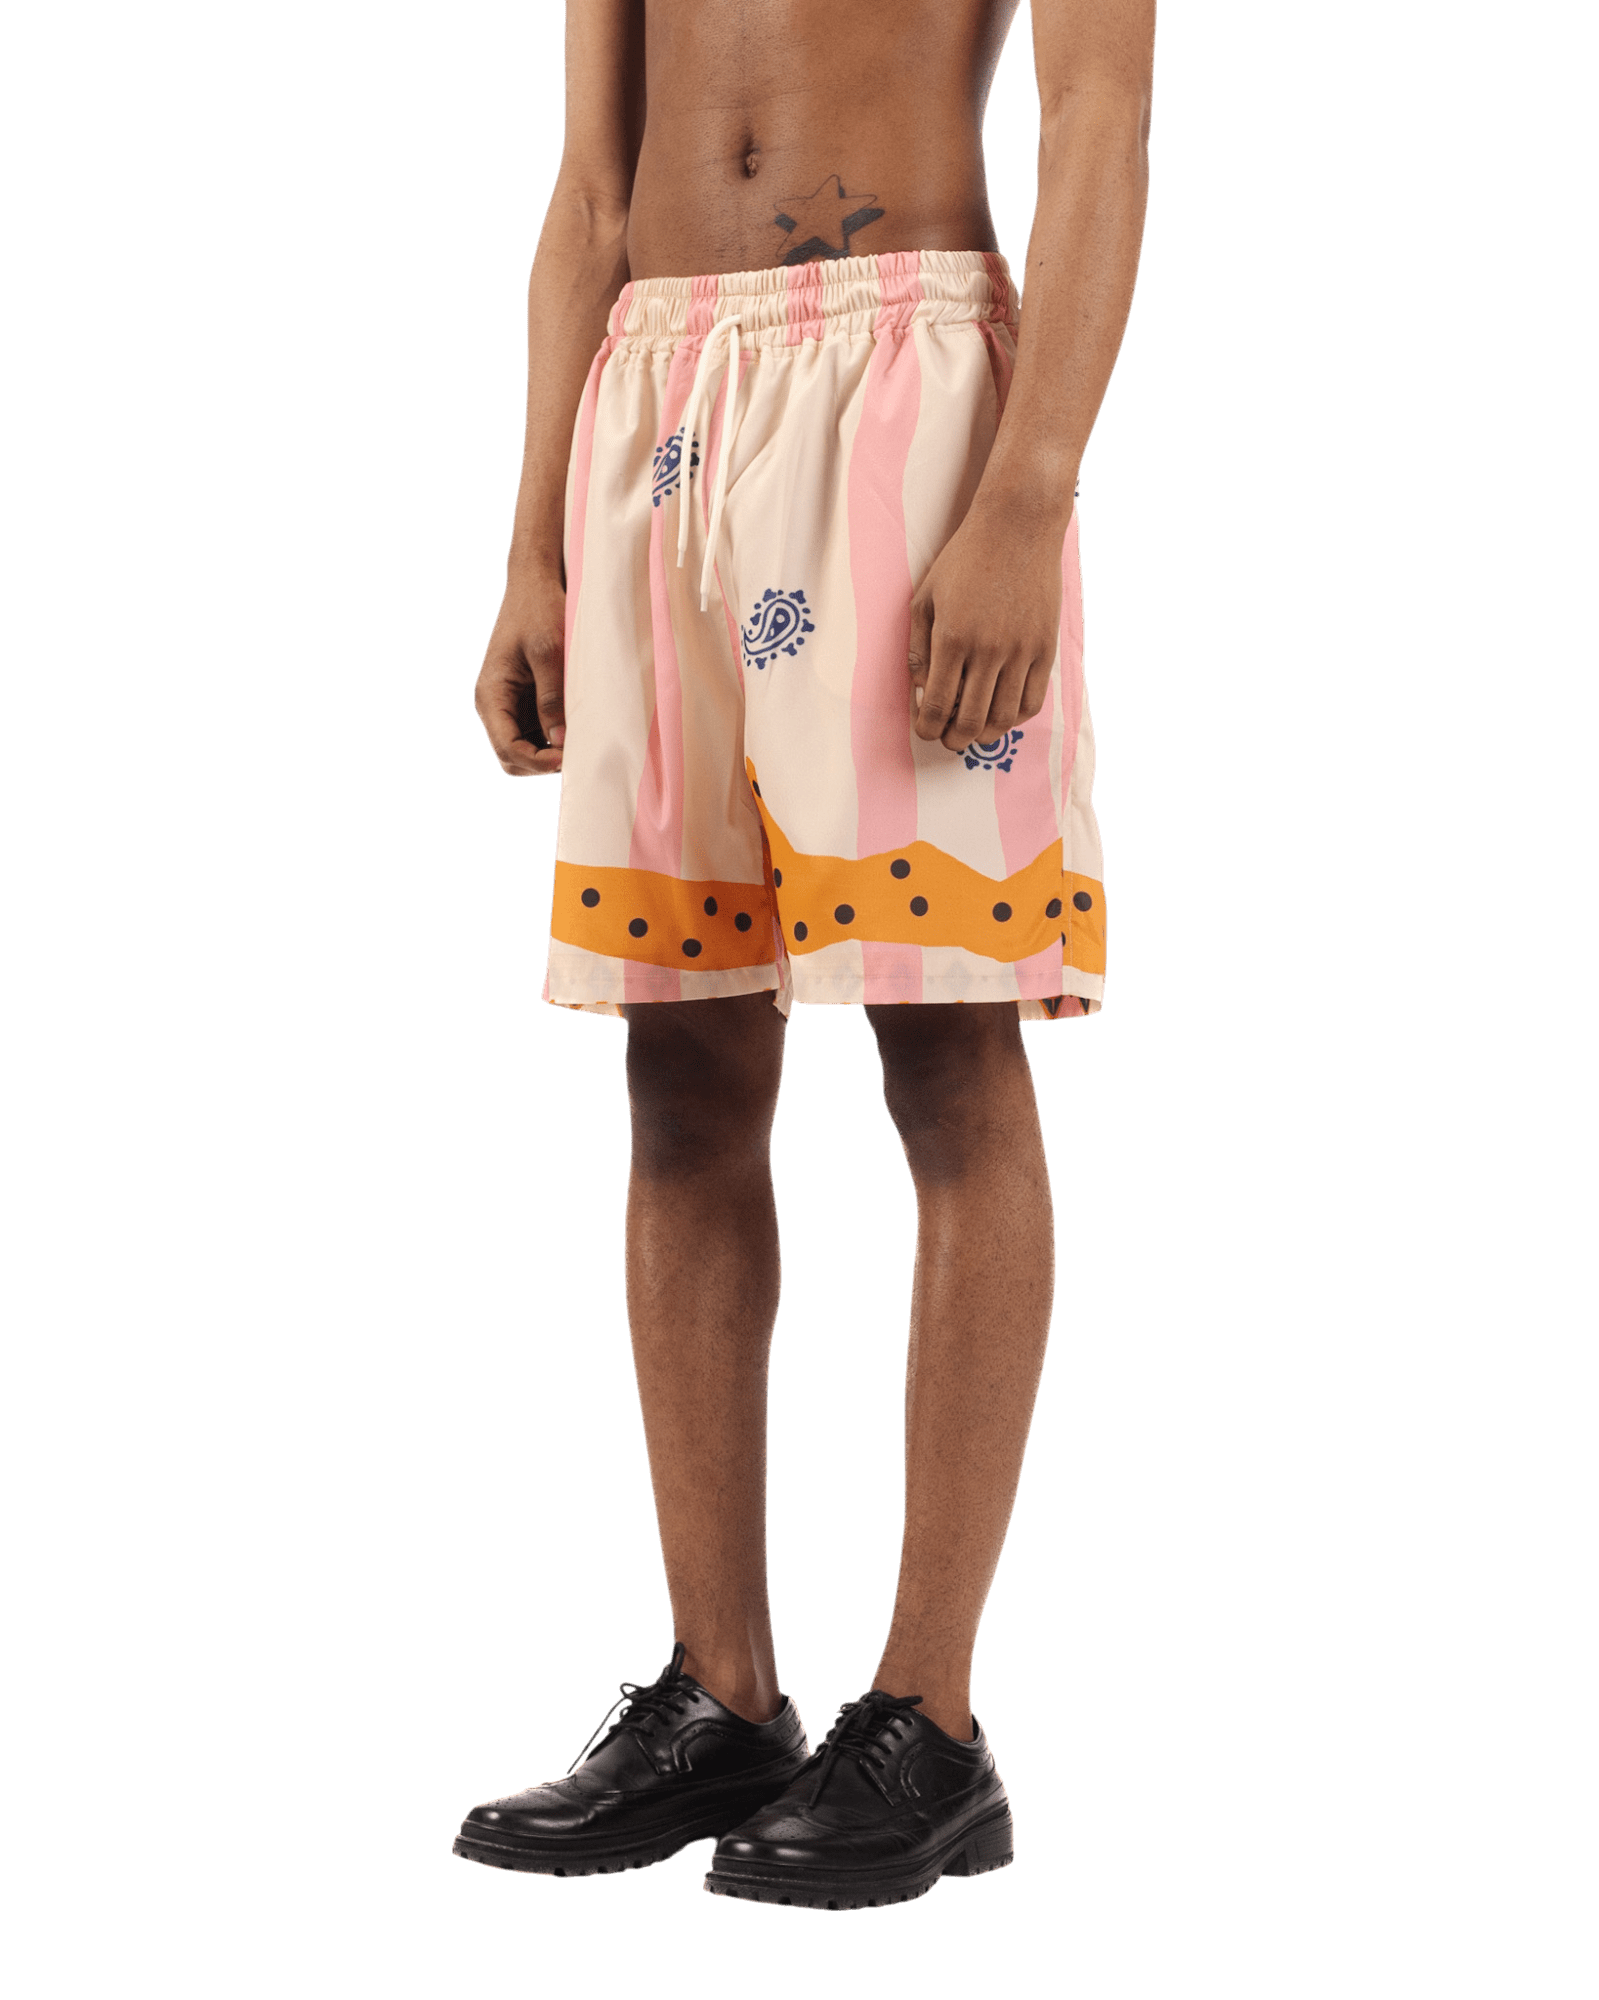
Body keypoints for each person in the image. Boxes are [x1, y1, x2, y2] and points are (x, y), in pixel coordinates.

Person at [456, 0, 1155, 1912]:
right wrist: (533, 541)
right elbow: (588, 187)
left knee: (944, 1041)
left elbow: (1101, 118)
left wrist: (1028, 486)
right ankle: (723, 1696)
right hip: (654, 407)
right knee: (675, 1062)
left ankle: (928, 1723)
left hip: (902, 392)